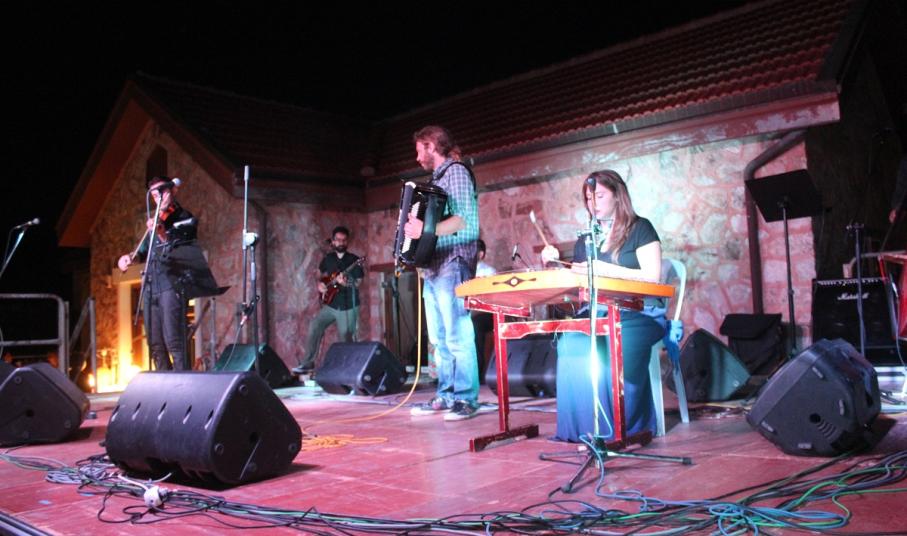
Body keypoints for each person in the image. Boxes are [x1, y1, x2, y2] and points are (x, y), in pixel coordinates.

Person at [541, 170, 664, 442]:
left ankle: (625, 430)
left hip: (639, 313)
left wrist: (605, 269)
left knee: (616, 342)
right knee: (570, 342)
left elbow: (653, 277)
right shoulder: (586, 239)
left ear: (618, 196)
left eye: (599, 196)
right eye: (588, 198)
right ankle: (585, 432)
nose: (592, 203)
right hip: (597, 313)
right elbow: (579, 286)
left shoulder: (640, 228)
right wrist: (553, 265)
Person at [405, 125, 481, 421]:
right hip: (434, 265)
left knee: (456, 333)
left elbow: (464, 221)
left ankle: (465, 398)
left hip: (453, 261)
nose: (417, 158)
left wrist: (424, 230)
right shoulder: (435, 180)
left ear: (431, 145)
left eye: (419, 150)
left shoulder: (457, 172)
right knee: (438, 338)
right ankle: (446, 394)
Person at [117, 176, 197, 371]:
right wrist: (130, 257)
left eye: (162, 192)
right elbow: (144, 250)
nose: (159, 198)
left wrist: (161, 233)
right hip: (152, 285)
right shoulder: (156, 221)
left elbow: (181, 248)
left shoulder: (184, 217)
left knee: (175, 342)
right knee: (155, 345)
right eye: (154, 196)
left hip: (172, 284)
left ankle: (183, 383)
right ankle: (165, 383)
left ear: (174, 191)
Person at [294, 226, 364, 375]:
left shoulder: (354, 260)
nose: (341, 243)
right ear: (333, 241)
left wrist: (346, 282)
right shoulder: (328, 258)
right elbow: (319, 274)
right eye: (338, 240)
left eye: (344, 240)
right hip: (331, 304)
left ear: (347, 242)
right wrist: (320, 284)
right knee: (315, 325)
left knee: (346, 337)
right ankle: (307, 363)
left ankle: (349, 370)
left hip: (347, 306)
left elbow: (358, 283)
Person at [472, 239, 496, 378]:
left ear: (480, 254)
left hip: (486, 313)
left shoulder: (489, 272)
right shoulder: (464, 270)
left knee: (475, 325)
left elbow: (492, 299)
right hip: (469, 312)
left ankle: (478, 373)